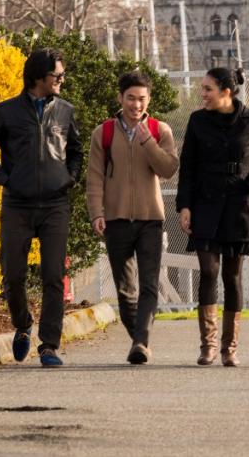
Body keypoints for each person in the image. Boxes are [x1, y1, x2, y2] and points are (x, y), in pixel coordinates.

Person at [0, 47, 83, 367]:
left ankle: (49, 346)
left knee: (53, 276)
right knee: (13, 274)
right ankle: (23, 325)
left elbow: (75, 151)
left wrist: (70, 178)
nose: (62, 80)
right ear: (38, 77)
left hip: (55, 205)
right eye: (57, 75)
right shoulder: (5, 112)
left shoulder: (65, 111)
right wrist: (6, 179)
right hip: (17, 206)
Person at [86, 71, 179, 365]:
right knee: (125, 288)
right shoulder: (104, 133)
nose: (136, 105)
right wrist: (97, 213)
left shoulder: (159, 129)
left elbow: (168, 169)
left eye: (141, 99)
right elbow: (95, 177)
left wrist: (147, 141)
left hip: (150, 219)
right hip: (115, 220)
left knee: (149, 283)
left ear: (148, 99)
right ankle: (138, 338)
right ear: (120, 98)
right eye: (130, 98)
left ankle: (141, 342)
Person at [176, 67, 249, 366]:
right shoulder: (197, 120)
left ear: (226, 91)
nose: (202, 94)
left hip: (238, 207)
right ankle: (208, 346)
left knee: (232, 276)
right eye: (202, 89)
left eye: (208, 89)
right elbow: (187, 166)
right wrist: (184, 206)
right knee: (209, 272)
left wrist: (248, 186)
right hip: (204, 204)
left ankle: (230, 348)